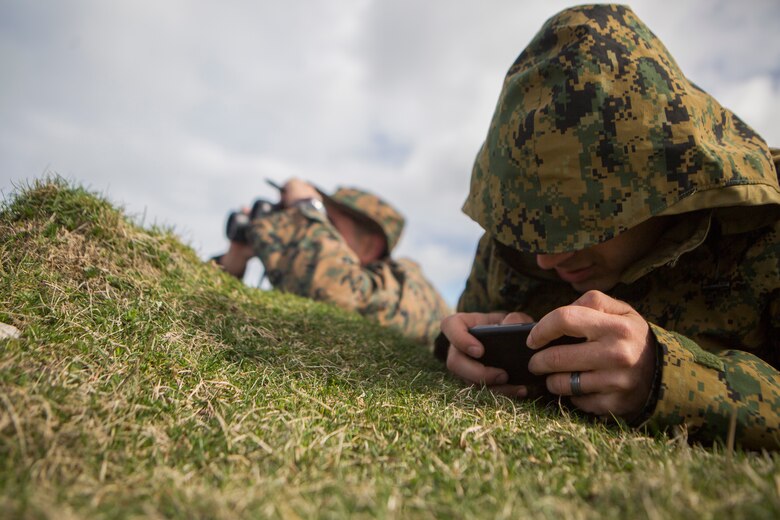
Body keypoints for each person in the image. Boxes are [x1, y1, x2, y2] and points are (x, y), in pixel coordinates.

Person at [436, 4, 780, 450]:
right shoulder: (512, 245)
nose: (546, 257)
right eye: (533, 228)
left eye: (578, 225)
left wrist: (661, 377)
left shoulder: (766, 235)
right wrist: (461, 347)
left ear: (665, 187)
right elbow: (460, 323)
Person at [217, 178, 451, 345]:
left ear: (370, 244)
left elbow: (344, 296)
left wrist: (303, 208)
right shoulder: (305, 275)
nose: (317, 226)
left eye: (325, 220)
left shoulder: (408, 284)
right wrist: (235, 259)